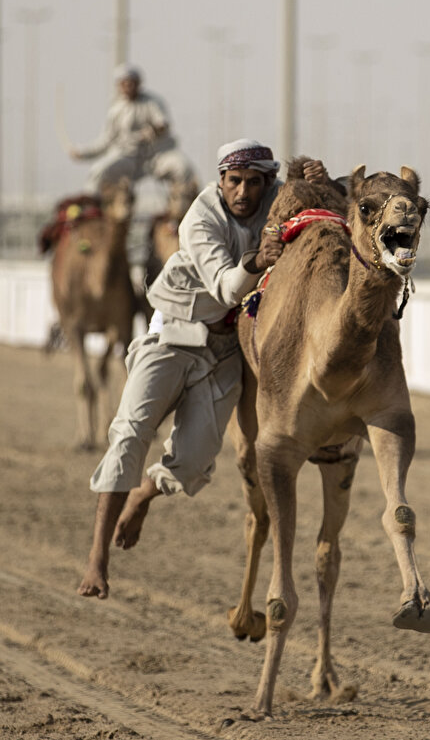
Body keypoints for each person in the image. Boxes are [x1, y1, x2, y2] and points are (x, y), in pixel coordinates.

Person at [77, 138, 333, 600]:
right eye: (234, 181)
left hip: (227, 350)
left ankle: (145, 493)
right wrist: (258, 259)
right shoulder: (199, 218)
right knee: (130, 433)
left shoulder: (277, 200)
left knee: (194, 462)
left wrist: (322, 183)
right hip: (175, 332)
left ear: (268, 182)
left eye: (253, 183)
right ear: (221, 180)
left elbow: (333, 210)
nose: (242, 192)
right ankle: (97, 558)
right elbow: (226, 287)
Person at [69, 63, 196, 194]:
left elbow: (163, 124)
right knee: (98, 170)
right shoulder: (116, 110)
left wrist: (153, 131)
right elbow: (106, 141)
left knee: (183, 167)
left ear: (139, 83)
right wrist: (83, 153)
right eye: (124, 83)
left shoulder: (152, 102)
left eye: (131, 83)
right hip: (128, 157)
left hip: (156, 156)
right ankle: (90, 203)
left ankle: (185, 203)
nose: (128, 86)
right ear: (119, 86)